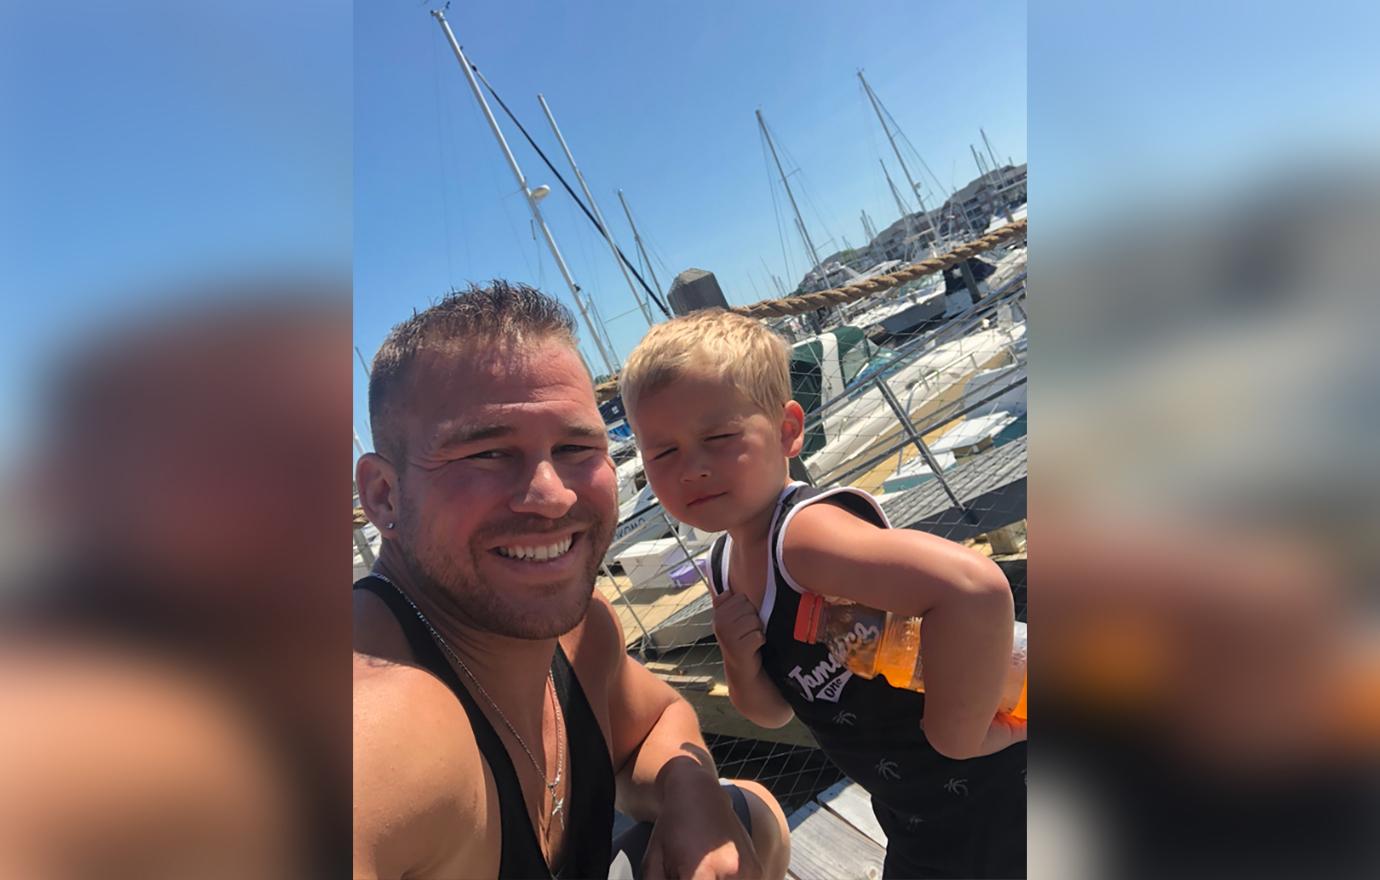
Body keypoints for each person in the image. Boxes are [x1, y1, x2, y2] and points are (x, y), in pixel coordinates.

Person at [353, 282, 790, 880]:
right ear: (383, 495)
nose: (553, 496)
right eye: (487, 453)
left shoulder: (582, 634)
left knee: (755, 816)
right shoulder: (370, 719)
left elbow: (658, 722)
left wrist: (695, 795)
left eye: (577, 446)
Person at [619, 308, 1027, 879]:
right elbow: (773, 710)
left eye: (719, 438)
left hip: (993, 791)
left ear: (787, 430)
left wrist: (957, 737)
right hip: (919, 813)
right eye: (662, 453)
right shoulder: (723, 562)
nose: (691, 470)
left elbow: (974, 589)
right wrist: (739, 658)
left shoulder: (804, 539)